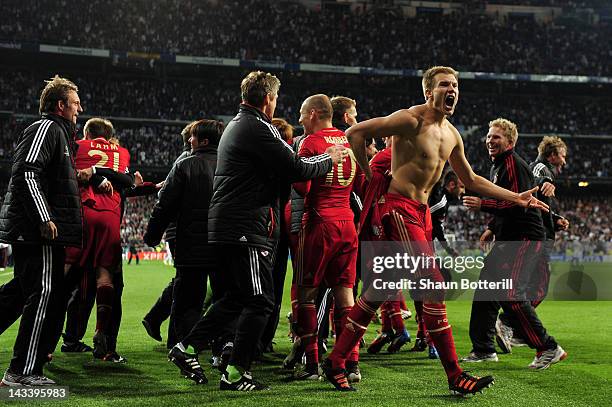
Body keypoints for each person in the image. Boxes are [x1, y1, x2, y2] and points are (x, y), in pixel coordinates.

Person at [323, 66, 548, 394]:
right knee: (433, 286)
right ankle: (456, 375)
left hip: (419, 213)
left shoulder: (452, 134)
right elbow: (355, 134)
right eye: (445, 84)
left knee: (379, 289)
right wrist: (368, 176)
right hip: (399, 211)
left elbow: (471, 180)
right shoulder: (410, 119)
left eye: (455, 85)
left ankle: (336, 360)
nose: (452, 89)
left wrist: (517, 197)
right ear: (429, 92)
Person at [167, 71, 346, 391]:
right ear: (268, 99)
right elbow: (297, 169)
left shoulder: (238, 124)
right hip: (246, 227)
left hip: (231, 223)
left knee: (236, 297)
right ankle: (236, 373)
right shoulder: (257, 127)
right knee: (261, 300)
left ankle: (187, 347)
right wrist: (328, 158)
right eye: (276, 98)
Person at [462, 118, 566, 370]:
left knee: (512, 295)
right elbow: (507, 204)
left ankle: (549, 347)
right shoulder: (498, 166)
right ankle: (484, 349)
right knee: (486, 289)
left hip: (524, 238)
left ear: (510, 141)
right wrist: (491, 227)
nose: (489, 140)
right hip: (508, 237)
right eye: (488, 136)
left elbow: (518, 203)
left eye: (496, 137)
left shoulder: (513, 164)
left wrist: (483, 204)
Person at [0, 75, 83, 386]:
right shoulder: (47, 128)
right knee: (44, 293)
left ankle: (22, 369)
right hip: (39, 233)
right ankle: (21, 371)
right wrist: (44, 216)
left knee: (17, 293)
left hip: (37, 230)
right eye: (75, 103)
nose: (80, 108)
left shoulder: (60, 135)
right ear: (60, 105)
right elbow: (26, 172)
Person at [292, 94, 362, 382]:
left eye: (301, 113)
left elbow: (302, 187)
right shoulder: (351, 141)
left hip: (320, 222)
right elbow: (359, 185)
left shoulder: (310, 142)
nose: (298, 119)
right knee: (345, 294)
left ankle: (311, 365)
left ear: (313, 114)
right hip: (348, 223)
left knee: (306, 292)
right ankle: (351, 364)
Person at [144, 119, 222, 349]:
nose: (189, 140)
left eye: (193, 137)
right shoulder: (232, 164)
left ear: (204, 141)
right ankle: (218, 346)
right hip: (222, 241)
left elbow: (164, 204)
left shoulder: (186, 164)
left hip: (189, 240)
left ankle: (180, 345)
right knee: (222, 296)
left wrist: (153, 234)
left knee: (188, 296)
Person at [64, 117, 132, 362]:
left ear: (87, 133)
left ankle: (46, 339)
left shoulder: (77, 146)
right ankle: (104, 337)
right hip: (110, 218)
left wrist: (92, 173)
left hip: (80, 214)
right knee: (109, 281)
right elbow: (128, 183)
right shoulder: (121, 152)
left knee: (65, 280)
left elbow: (64, 171)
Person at [494, 135, 569, 353]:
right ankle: (509, 323)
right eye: (562, 156)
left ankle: (513, 327)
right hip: (537, 238)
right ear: (553, 155)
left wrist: (555, 218)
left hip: (540, 233)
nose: (564, 161)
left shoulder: (541, 168)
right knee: (536, 288)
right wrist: (546, 183)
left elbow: (538, 203)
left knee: (531, 288)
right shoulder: (540, 168)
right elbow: (538, 181)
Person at [142, 121, 195, 346]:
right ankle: (175, 334)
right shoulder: (186, 162)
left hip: (181, 229)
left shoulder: (183, 161)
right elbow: (165, 197)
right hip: (182, 230)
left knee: (185, 280)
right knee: (187, 282)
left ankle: (156, 319)